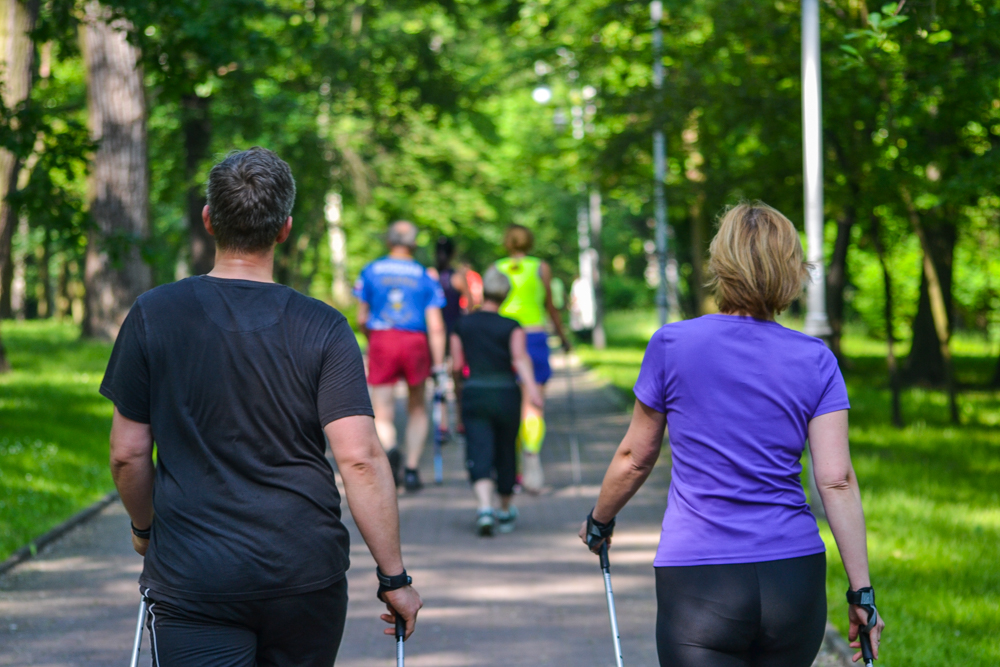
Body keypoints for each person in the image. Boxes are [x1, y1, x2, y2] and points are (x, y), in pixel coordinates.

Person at [101, 147, 422, 666]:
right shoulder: (324, 326)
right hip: (303, 572)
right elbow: (359, 458)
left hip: (195, 574)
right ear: (284, 229)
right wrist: (394, 577)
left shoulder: (153, 315)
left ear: (209, 220)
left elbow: (128, 454)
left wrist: (144, 529)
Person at [580, 202, 885, 667]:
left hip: (700, 583)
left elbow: (635, 457)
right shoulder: (816, 359)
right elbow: (837, 479)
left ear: (721, 265)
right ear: (792, 270)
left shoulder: (672, 345)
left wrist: (600, 520)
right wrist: (862, 592)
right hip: (793, 579)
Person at [354, 221, 447, 492]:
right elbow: (437, 325)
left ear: (388, 241)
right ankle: (412, 469)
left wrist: (373, 339)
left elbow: (362, 317)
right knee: (417, 406)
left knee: (381, 410)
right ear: (414, 244)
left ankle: (392, 448)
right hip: (415, 341)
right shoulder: (424, 275)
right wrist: (439, 364)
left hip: (383, 338)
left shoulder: (371, 270)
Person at [450, 267, 543, 536]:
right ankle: (504, 509)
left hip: (475, 391)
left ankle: (484, 508)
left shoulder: (463, 324)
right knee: (505, 449)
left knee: (478, 448)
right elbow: (520, 359)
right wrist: (533, 389)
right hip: (505, 393)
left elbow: (457, 365)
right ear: (505, 296)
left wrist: (458, 389)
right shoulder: (511, 326)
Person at [494, 225, 570, 493]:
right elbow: (550, 305)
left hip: (503, 337)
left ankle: (511, 469)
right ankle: (531, 455)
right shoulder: (540, 267)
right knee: (534, 403)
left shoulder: (497, 268)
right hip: (535, 337)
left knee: (510, 403)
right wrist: (563, 337)